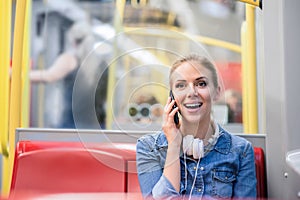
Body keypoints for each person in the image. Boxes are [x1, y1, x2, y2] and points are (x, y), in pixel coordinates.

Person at [136, 53, 257, 199]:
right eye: (181, 85)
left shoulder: (241, 151)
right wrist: (174, 146)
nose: (191, 92)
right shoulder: (148, 148)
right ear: (172, 96)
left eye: (201, 84)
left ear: (217, 93)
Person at [29, 21, 108, 128]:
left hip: (72, 128)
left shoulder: (70, 59)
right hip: (98, 127)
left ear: (73, 41)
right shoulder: (102, 64)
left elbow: (48, 76)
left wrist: (14, 73)